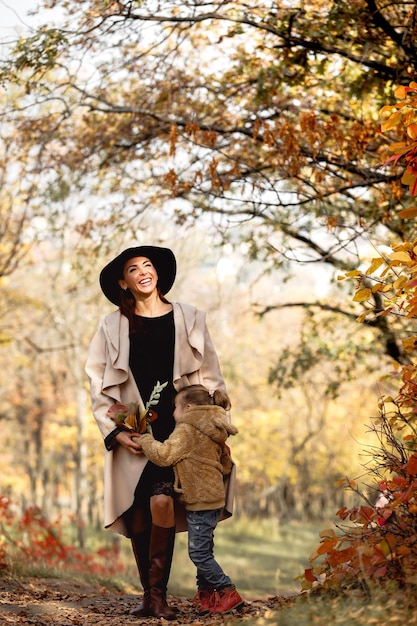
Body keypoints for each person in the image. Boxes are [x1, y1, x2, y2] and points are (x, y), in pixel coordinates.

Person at [85, 245, 235, 620]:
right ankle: (151, 598)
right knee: (138, 514)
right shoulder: (111, 325)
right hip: (134, 428)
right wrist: (114, 431)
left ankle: (160, 595)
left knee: (163, 502)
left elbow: (211, 375)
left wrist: (214, 427)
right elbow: (97, 383)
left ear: (158, 274)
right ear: (124, 282)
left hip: (181, 430)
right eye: (133, 269)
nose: (143, 272)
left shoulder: (190, 317)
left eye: (148, 265)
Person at [138, 384, 244, 615]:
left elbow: (164, 456)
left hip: (200, 499)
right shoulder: (213, 427)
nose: (173, 413)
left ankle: (227, 591)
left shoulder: (187, 429)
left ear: (187, 407)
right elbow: (224, 466)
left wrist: (145, 439)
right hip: (213, 497)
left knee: (199, 553)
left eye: (175, 407)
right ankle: (207, 597)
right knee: (205, 548)